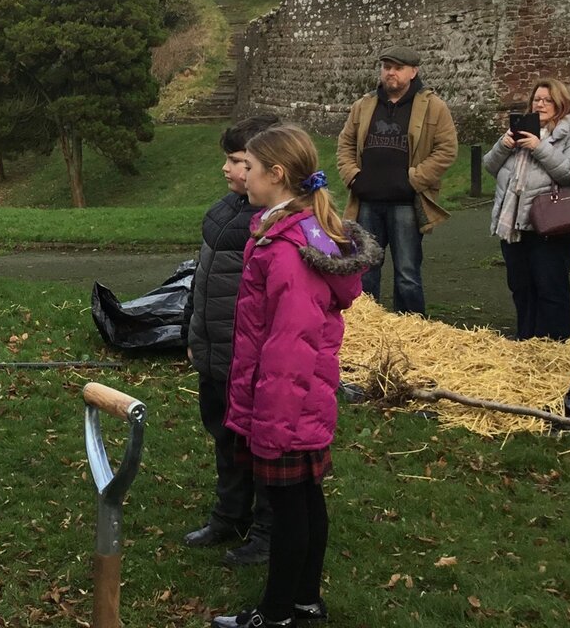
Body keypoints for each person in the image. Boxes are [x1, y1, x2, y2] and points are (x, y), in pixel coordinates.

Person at [213, 126, 381, 628]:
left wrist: (273, 420)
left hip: (286, 403)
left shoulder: (288, 249)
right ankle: (306, 599)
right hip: (296, 400)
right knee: (305, 497)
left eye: (251, 167)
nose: (242, 174)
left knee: (288, 507)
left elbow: (291, 342)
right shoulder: (291, 229)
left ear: (276, 175)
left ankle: (277, 612)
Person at [183, 115, 278, 567]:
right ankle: (229, 516)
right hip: (215, 349)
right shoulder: (225, 211)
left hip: (249, 358)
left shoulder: (271, 225)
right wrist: (192, 330)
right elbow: (201, 278)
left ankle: (266, 529)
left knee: (258, 445)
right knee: (223, 435)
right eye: (229, 159)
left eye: (240, 161)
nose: (229, 169)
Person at [335, 45, 458, 316]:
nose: (390, 73)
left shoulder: (433, 107)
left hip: (405, 203)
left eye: (397, 68)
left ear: (413, 72)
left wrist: (414, 180)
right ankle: (366, 327)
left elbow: (446, 149)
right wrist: (353, 177)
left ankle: (412, 328)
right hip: (367, 202)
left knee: (407, 273)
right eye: (386, 67)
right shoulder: (364, 105)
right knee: (365, 270)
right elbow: (345, 143)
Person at [483, 78, 570, 340]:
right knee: (521, 288)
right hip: (515, 226)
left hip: (551, 226)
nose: (540, 104)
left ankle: (555, 345)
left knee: (550, 290)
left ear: (561, 104)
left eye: (547, 100)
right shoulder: (520, 130)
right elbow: (489, 165)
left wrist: (539, 147)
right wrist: (504, 145)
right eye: (537, 99)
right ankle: (526, 341)